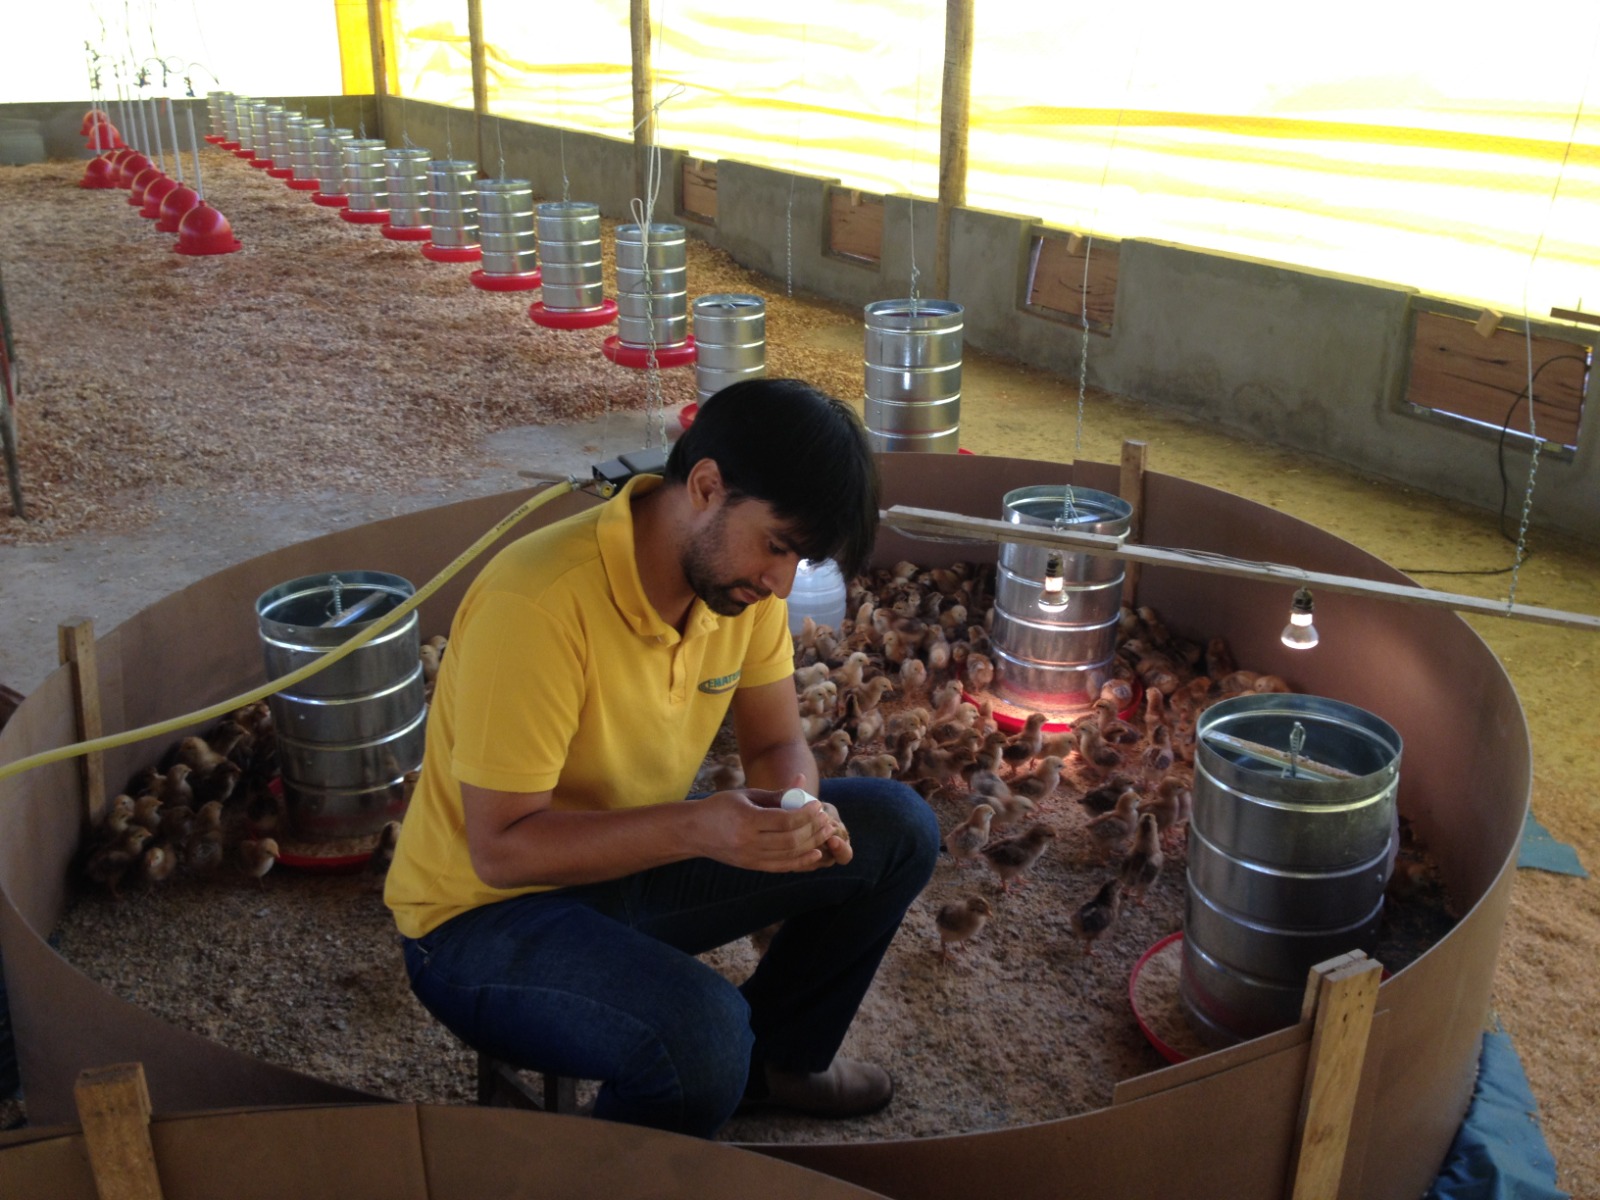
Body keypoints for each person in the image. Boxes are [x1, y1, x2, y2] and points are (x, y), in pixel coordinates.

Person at [384, 378, 939, 1137]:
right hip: (479, 923)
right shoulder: (539, 603)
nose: (780, 583)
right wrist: (699, 828)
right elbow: (501, 851)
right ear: (707, 487)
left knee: (899, 827)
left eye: (798, 561)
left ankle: (778, 1063)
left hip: (625, 866)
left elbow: (777, 742)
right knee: (701, 1039)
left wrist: (799, 811)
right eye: (777, 546)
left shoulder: (738, 592)